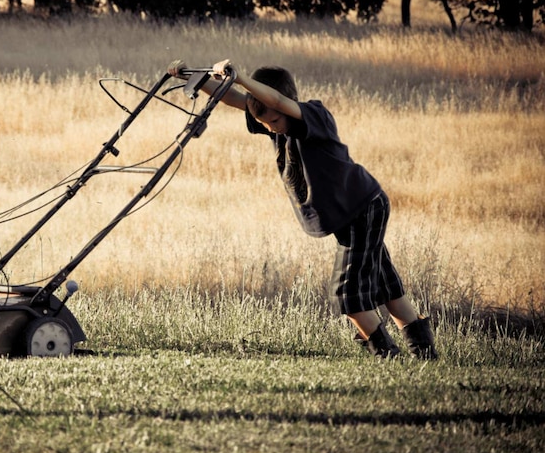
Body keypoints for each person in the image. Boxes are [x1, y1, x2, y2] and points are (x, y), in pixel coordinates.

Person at [168, 58, 437, 359]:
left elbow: (278, 101)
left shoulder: (313, 115)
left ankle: (388, 357)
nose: (271, 128)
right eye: (264, 124)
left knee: (347, 295)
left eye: (274, 120)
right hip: (349, 215)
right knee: (385, 286)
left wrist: (241, 76)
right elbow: (233, 97)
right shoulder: (272, 120)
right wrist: (195, 75)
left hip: (363, 208)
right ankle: (425, 355)